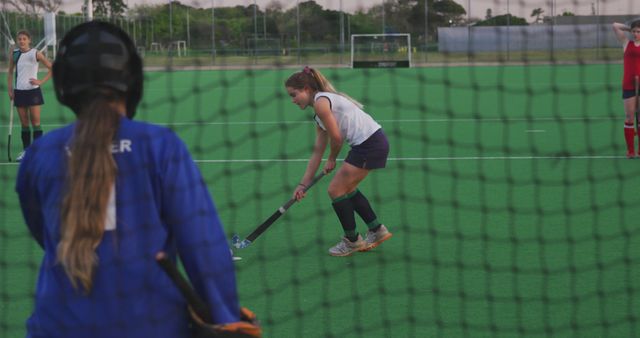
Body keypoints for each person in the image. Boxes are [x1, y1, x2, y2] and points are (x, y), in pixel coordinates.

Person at [16, 22, 259, 338]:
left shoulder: (40, 153)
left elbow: (44, 231)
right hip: (151, 324)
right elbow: (204, 245)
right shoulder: (160, 145)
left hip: (57, 324)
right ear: (131, 79)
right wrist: (226, 315)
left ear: (64, 84)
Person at [285, 67, 393, 257]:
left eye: (294, 95)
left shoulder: (321, 103)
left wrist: (332, 159)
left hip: (369, 144)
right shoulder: (319, 112)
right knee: (347, 189)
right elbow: (317, 153)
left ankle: (352, 241)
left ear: (307, 89)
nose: (292, 100)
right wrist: (303, 184)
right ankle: (377, 230)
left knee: (335, 190)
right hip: (372, 142)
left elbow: (336, 138)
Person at [6, 30, 52, 162]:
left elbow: (51, 68)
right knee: (24, 124)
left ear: (29, 40)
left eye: (24, 39)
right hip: (19, 92)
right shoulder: (14, 54)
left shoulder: (36, 53)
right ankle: (26, 152)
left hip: (33, 92)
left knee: (36, 123)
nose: (21, 41)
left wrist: (41, 82)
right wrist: (10, 90)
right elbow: (10, 73)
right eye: (19, 39)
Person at [613, 19, 640, 158]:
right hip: (629, 86)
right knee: (630, 117)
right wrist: (629, 28)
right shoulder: (626, 44)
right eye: (634, 31)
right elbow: (615, 26)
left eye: (638, 31)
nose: (635, 34)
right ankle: (630, 151)